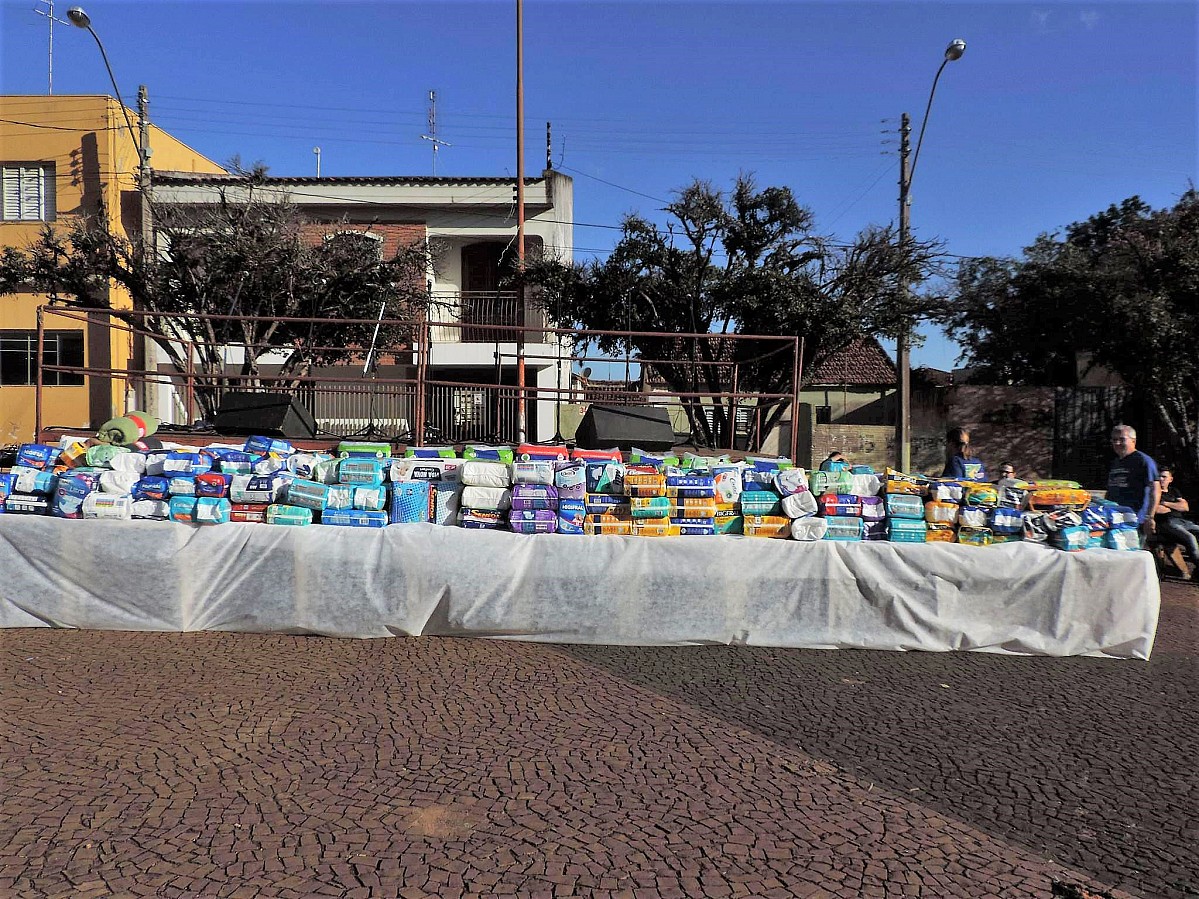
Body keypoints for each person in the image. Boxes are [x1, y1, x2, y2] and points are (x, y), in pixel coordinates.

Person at [1107, 424, 1160, 542]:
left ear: (1133, 441)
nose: (1117, 443)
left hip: (1134, 521)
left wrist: (1150, 517)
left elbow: (1155, 489)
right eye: (1114, 440)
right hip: (1114, 519)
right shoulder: (1116, 462)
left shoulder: (1143, 460)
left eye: (1121, 439)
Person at [1154, 467, 1199, 577]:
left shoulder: (1174, 491)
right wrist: (1175, 506)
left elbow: (1185, 507)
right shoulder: (1154, 492)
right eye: (1159, 476)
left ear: (1170, 479)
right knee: (1190, 538)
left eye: (1164, 477)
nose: (1161, 479)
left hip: (1184, 521)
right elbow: (1157, 509)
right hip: (1168, 523)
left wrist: (1166, 503)